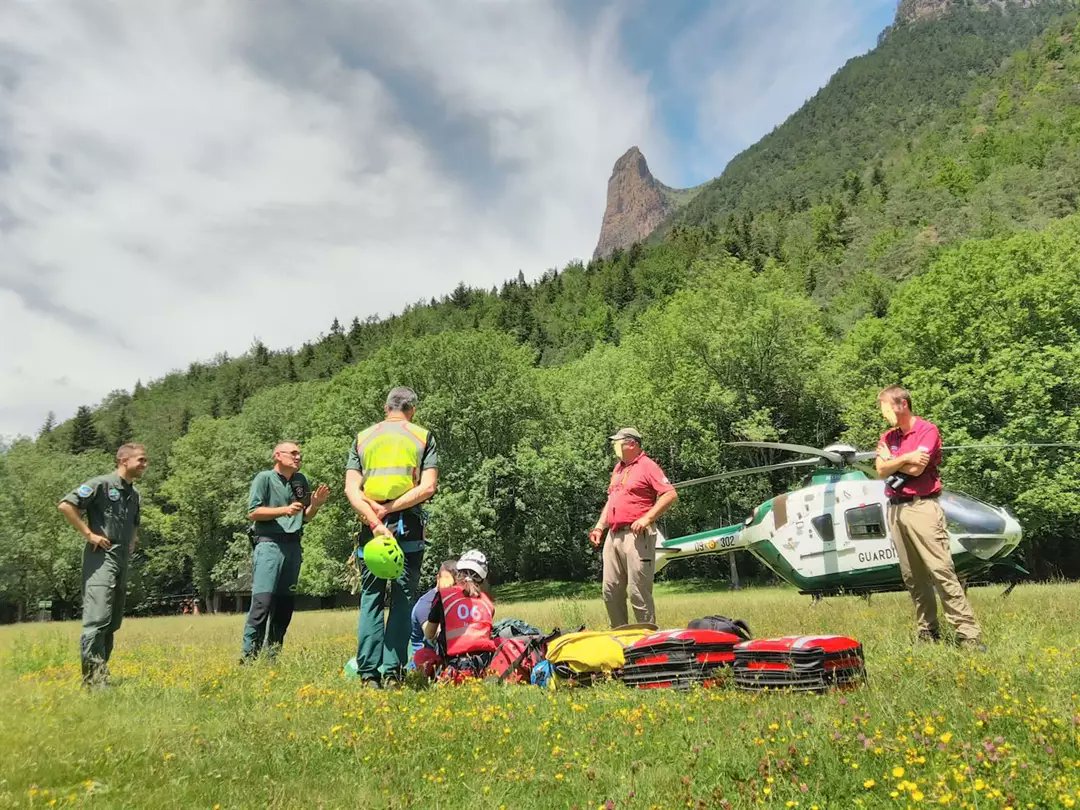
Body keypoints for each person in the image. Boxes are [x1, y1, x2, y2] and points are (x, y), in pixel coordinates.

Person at [875, 385, 984, 650]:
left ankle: (968, 634)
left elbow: (918, 466)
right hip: (895, 509)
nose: (883, 413)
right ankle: (927, 631)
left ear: (902, 404)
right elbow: (880, 469)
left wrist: (898, 460)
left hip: (922, 507)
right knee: (912, 576)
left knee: (941, 571)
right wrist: (905, 458)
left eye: (886, 407)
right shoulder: (888, 436)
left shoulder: (927, 430)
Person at [345, 386, 439, 686]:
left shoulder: (363, 437)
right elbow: (427, 488)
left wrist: (375, 520)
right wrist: (390, 509)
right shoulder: (422, 436)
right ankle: (393, 672)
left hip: (371, 530)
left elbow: (351, 489)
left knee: (371, 597)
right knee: (403, 599)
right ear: (411, 410)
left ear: (386, 408)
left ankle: (368, 674)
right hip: (407, 526)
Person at [58, 443, 149, 687]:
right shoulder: (101, 484)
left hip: (121, 559)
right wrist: (90, 535)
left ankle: (101, 674)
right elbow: (67, 505)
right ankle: (93, 680)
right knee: (97, 619)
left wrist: (132, 540)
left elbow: (134, 522)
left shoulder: (134, 494)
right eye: (141, 460)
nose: (144, 465)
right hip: (101, 558)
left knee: (112, 621)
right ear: (124, 460)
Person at [241, 441, 329, 660]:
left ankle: (272, 657)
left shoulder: (301, 480)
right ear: (277, 456)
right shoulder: (264, 479)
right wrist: (284, 510)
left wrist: (315, 505)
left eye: (299, 453)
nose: (298, 457)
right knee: (262, 603)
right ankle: (248, 658)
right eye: (293, 453)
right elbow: (253, 512)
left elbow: (304, 517)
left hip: (293, 546)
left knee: (284, 606)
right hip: (269, 545)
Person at [588, 427, 677, 627]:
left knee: (637, 591)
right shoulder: (618, 469)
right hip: (613, 535)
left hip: (637, 536)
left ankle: (647, 642)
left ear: (632, 444)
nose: (615, 447)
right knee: (610, 590)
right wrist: (599, 527)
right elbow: (612, 500)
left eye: (618, 442)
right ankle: (621, 638)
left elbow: (670, 494)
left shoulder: (648, 466)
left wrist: (647, 518)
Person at [423, 550, 496, 663]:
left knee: (421, 654)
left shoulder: (443, 596)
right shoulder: (488, 604)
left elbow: (429, 634)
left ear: (458, 573)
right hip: (482, 664)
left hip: (451, 663)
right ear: (482, 579)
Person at [409, 559, 458, 666]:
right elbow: (432, 636)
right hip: (425, 664)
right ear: (438, 579)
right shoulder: (426, 604)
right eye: (450, 586)